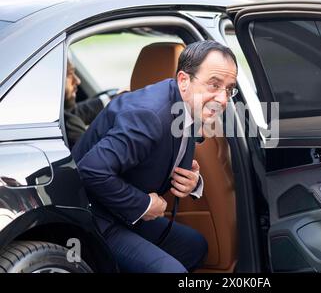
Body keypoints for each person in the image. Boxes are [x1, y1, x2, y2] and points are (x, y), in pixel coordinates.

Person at [72, 40, 238, 273]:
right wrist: (144, 204)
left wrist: (193, 181)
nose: (223, 99)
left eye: (229, 89)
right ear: (183, 80)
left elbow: (168, 154)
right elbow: (90, 170)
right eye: (214, 85)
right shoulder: (149, 115)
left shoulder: (187, 105)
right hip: (92, 217)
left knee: (195, 246)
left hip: (121, 210)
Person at [64, 61, 117, 149]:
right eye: (69, 74)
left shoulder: (58, 115)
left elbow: (74, 111)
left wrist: (114, 98)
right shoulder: (69, 126)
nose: (77, 81)